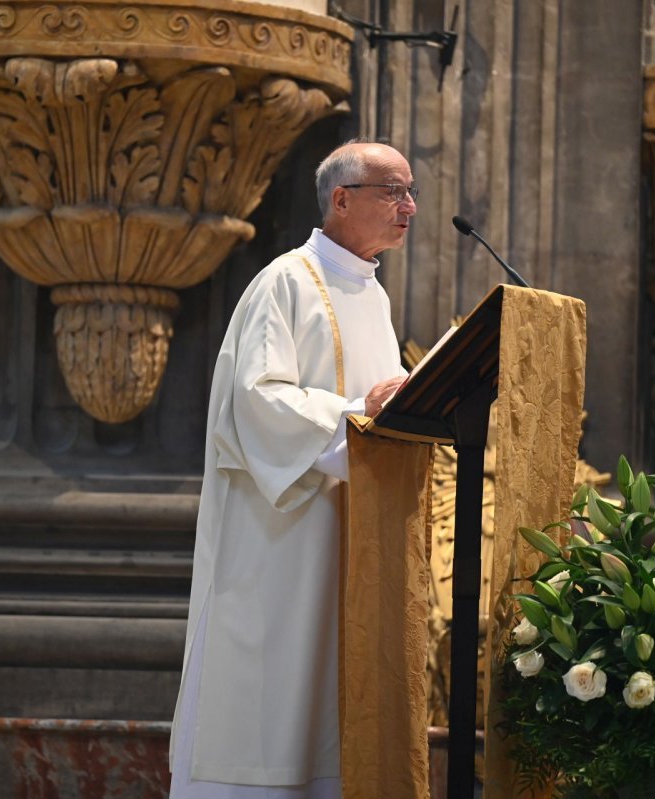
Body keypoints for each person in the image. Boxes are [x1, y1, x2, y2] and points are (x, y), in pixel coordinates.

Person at [169, 141, 416, 797]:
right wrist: (352, 416)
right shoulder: (286, 281)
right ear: (342, 199)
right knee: (277, 706)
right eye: (393, 191)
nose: (409, 207)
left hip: (353, 536)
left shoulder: (372, 296)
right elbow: (256, 401)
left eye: (408, 192)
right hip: (282, 536)